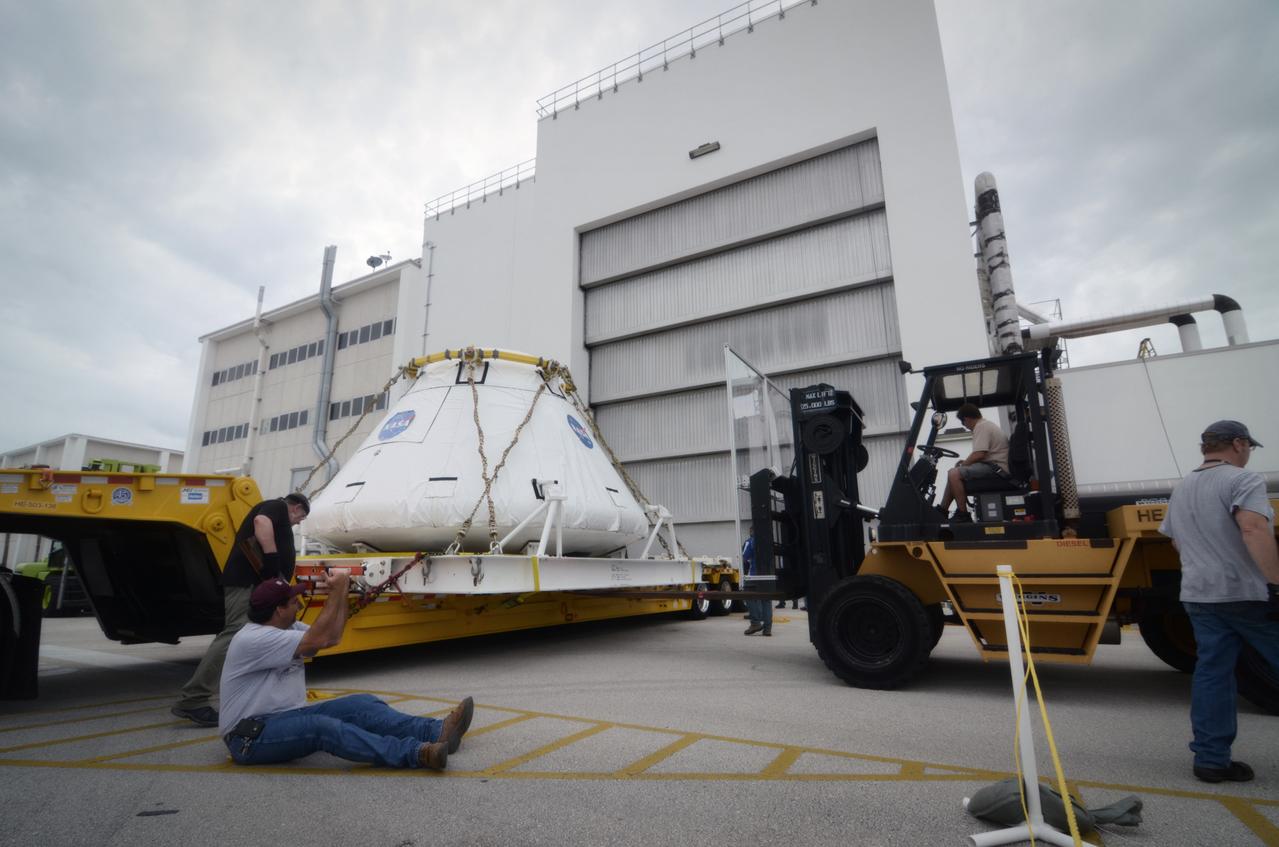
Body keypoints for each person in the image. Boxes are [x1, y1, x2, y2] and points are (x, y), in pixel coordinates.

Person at [219, 574, 475, 770]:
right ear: (278, 610)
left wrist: (341, 592)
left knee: (361, 704)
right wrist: (337, 590)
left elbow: (331, 637)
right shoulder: (253, 639)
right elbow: (318, 638)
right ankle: (416, 753)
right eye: (293, 601)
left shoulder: (288, 628)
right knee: (322, 727)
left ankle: (436, 731)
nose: (298, 603)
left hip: (286, 717)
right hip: (248, 738)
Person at [1158, 419, 1279, 784]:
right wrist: (1275, 584)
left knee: (1213, 674)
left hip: (1199, 595)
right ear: (1239, 444)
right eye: (1249, 448)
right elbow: (1253, 528)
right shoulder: (1243, 480)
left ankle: (1211, 759)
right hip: (1245, 594)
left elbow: (1176, 539)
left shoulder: (1183, 488)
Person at [172, 491, 311, 727]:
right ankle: (193, 700)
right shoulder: (275, 506)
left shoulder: (275, 511)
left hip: (254, 585)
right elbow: (261, 522)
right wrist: (272, 561)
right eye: (301, 518)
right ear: (296, 507)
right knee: (235, 634)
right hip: (248, 584)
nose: (298, 523)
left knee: (244, 635)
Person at [938, 403, 1010, 522]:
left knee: (954, 474)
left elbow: (979, 454)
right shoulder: (986, 425)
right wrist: (965, 463)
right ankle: (942, 511)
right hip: (993, 465)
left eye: (963, 423)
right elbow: (982, 454)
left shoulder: (981, 427)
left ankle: (963, 514)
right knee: (954, 473)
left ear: (966, 419)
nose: (965, 426)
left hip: (997, 469)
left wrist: (964, 464)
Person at [742, 527, 772, 636]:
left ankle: (755, 623)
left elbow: (744, 557)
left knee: (748, 595)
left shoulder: (750, 542)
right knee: (766, 600)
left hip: (753, 575)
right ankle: (767, 628)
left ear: (751, 532)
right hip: (768, 575)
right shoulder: (769, 542)